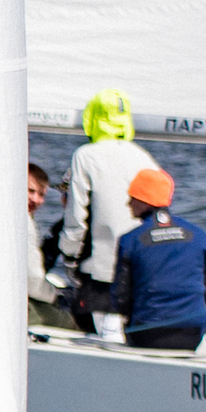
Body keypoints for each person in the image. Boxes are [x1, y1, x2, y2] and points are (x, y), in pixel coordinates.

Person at [56, 90, 163, 339]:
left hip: (101, 268)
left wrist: (69, 255)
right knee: (128, 333)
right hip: (142, 266)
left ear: (91, 117)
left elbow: (76, 215)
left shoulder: (85, 155)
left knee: (106, 334)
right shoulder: (144, 157)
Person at [110, 167, 206, 352]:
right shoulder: (198, 235)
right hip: (193, 334)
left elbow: (120, 298)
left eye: (133, 197)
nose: (128, 203)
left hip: (148, 334)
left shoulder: (130, 240)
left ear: (145, 201)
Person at [25, 162, 73, 328]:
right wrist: (56, 297)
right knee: (69, 321)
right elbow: (33, 278)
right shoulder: (24, 223)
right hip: (28, 300)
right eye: (30, 191)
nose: (36, 200)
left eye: (41, 194)